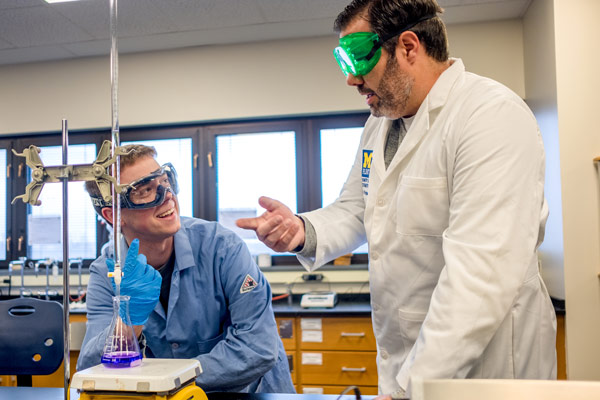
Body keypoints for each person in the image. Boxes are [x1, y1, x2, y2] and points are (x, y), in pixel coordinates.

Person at [236, 0, 557, 397]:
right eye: (345, 64)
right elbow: (358, 208)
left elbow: (480, 275)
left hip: (485, 365)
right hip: (407, 357)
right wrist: (301, 230)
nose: (352, 80)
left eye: (359, 60)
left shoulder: (490, 116)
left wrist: (412, 387)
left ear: (408, 47)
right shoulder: (379, 127)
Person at [77, 144, 295, 393]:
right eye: (147, 190)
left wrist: (167, 380)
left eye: (166, 181)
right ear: (114, 215)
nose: (167, 195)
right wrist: (129, 324)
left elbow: (257, 348)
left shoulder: (222, 247)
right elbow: (91, 370)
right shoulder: (106, 272)